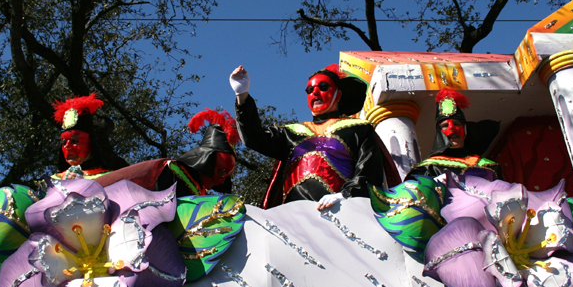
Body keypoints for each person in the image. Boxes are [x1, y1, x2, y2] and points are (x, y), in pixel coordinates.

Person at [230, 64, 400, 210]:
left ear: (338, 95)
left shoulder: (358, 129)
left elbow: (369, 170)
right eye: (310, 90)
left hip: (342, 210)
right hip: (293, 216)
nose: (315, 93)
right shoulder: (291, 133)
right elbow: (254, 138)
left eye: (323, 87)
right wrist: (242, 95)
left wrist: (347, 195)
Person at [94, 108, 239, 196]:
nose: (221, 181)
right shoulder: (171, 171)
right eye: (221, 172)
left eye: (226, 176)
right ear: (206, 160)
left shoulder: (200, 191)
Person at [405, 89, 501, 181]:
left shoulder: (489, 167)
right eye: (445, 125)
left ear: (465, 129)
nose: (452, 128)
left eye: (457, 123)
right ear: (439, 132)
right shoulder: (427, 168)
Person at [52, 93, 112, 180]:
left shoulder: (109, 178)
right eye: (63, 142)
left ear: (90, 143)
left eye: (74, 140)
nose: (67, 146)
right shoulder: (51, 182)